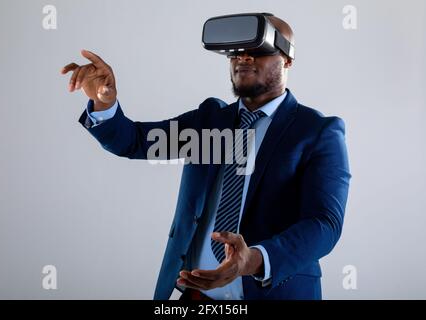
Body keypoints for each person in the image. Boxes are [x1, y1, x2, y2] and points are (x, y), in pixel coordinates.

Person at [61, 13, 351, 300]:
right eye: (236, 50)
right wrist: (104, 102)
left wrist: (254, 260)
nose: (244, 57)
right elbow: (135, 142)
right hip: (196, 298)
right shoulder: (210, 120)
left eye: (258, 49)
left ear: (287, 60)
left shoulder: (317, 131)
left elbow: (324, 224)